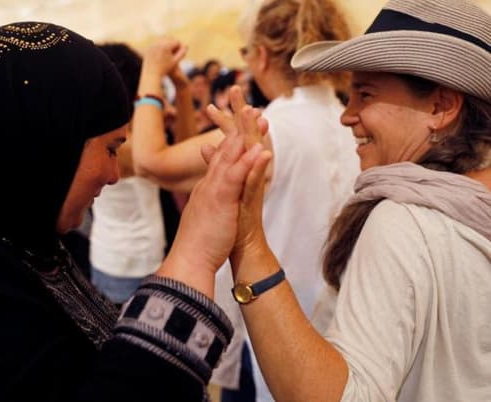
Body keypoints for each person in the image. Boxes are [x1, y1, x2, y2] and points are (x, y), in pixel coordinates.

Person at [0, 21, 270, 401]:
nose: (114, 174)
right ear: (47, 139)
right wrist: (196, 251)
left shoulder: (22, 243)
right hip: (121, 262)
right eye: (109, 149)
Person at [203, 0, 491, 400]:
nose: (347, 115)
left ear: (441, 107)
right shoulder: (470, 205)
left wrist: (249, 241)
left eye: (365, 95)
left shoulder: (406, 222)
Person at [131, 1, 358, 400]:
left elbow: (150, 163)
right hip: (339, 336)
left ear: (263, 55)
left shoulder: (269, 130)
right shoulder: (354, 127)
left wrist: (150, 74)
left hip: (271, 330)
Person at [89, 42, 191, 305]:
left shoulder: (132, 136)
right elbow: (176, 162)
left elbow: (183, 149)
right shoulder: (113, 142)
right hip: (123, 265)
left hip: (139, 255)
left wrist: (182, 88)